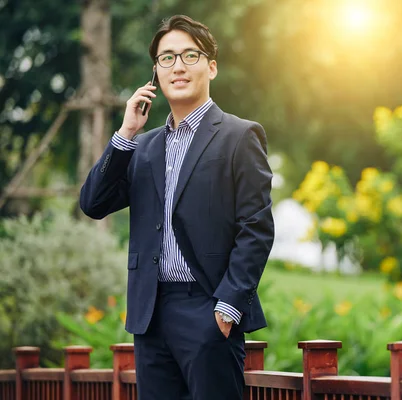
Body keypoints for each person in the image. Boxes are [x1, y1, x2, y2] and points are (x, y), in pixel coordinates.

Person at [80, 14, 274, 400]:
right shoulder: (144, 146)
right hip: (150, 315)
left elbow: (256, 228)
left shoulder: (239, 136)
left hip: (208, 308)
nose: (179, 66)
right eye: (167, 58)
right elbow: (94, 203)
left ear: (211, 67)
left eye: (190, 55)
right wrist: (125, 134)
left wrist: (228, 307)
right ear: (155, 72)